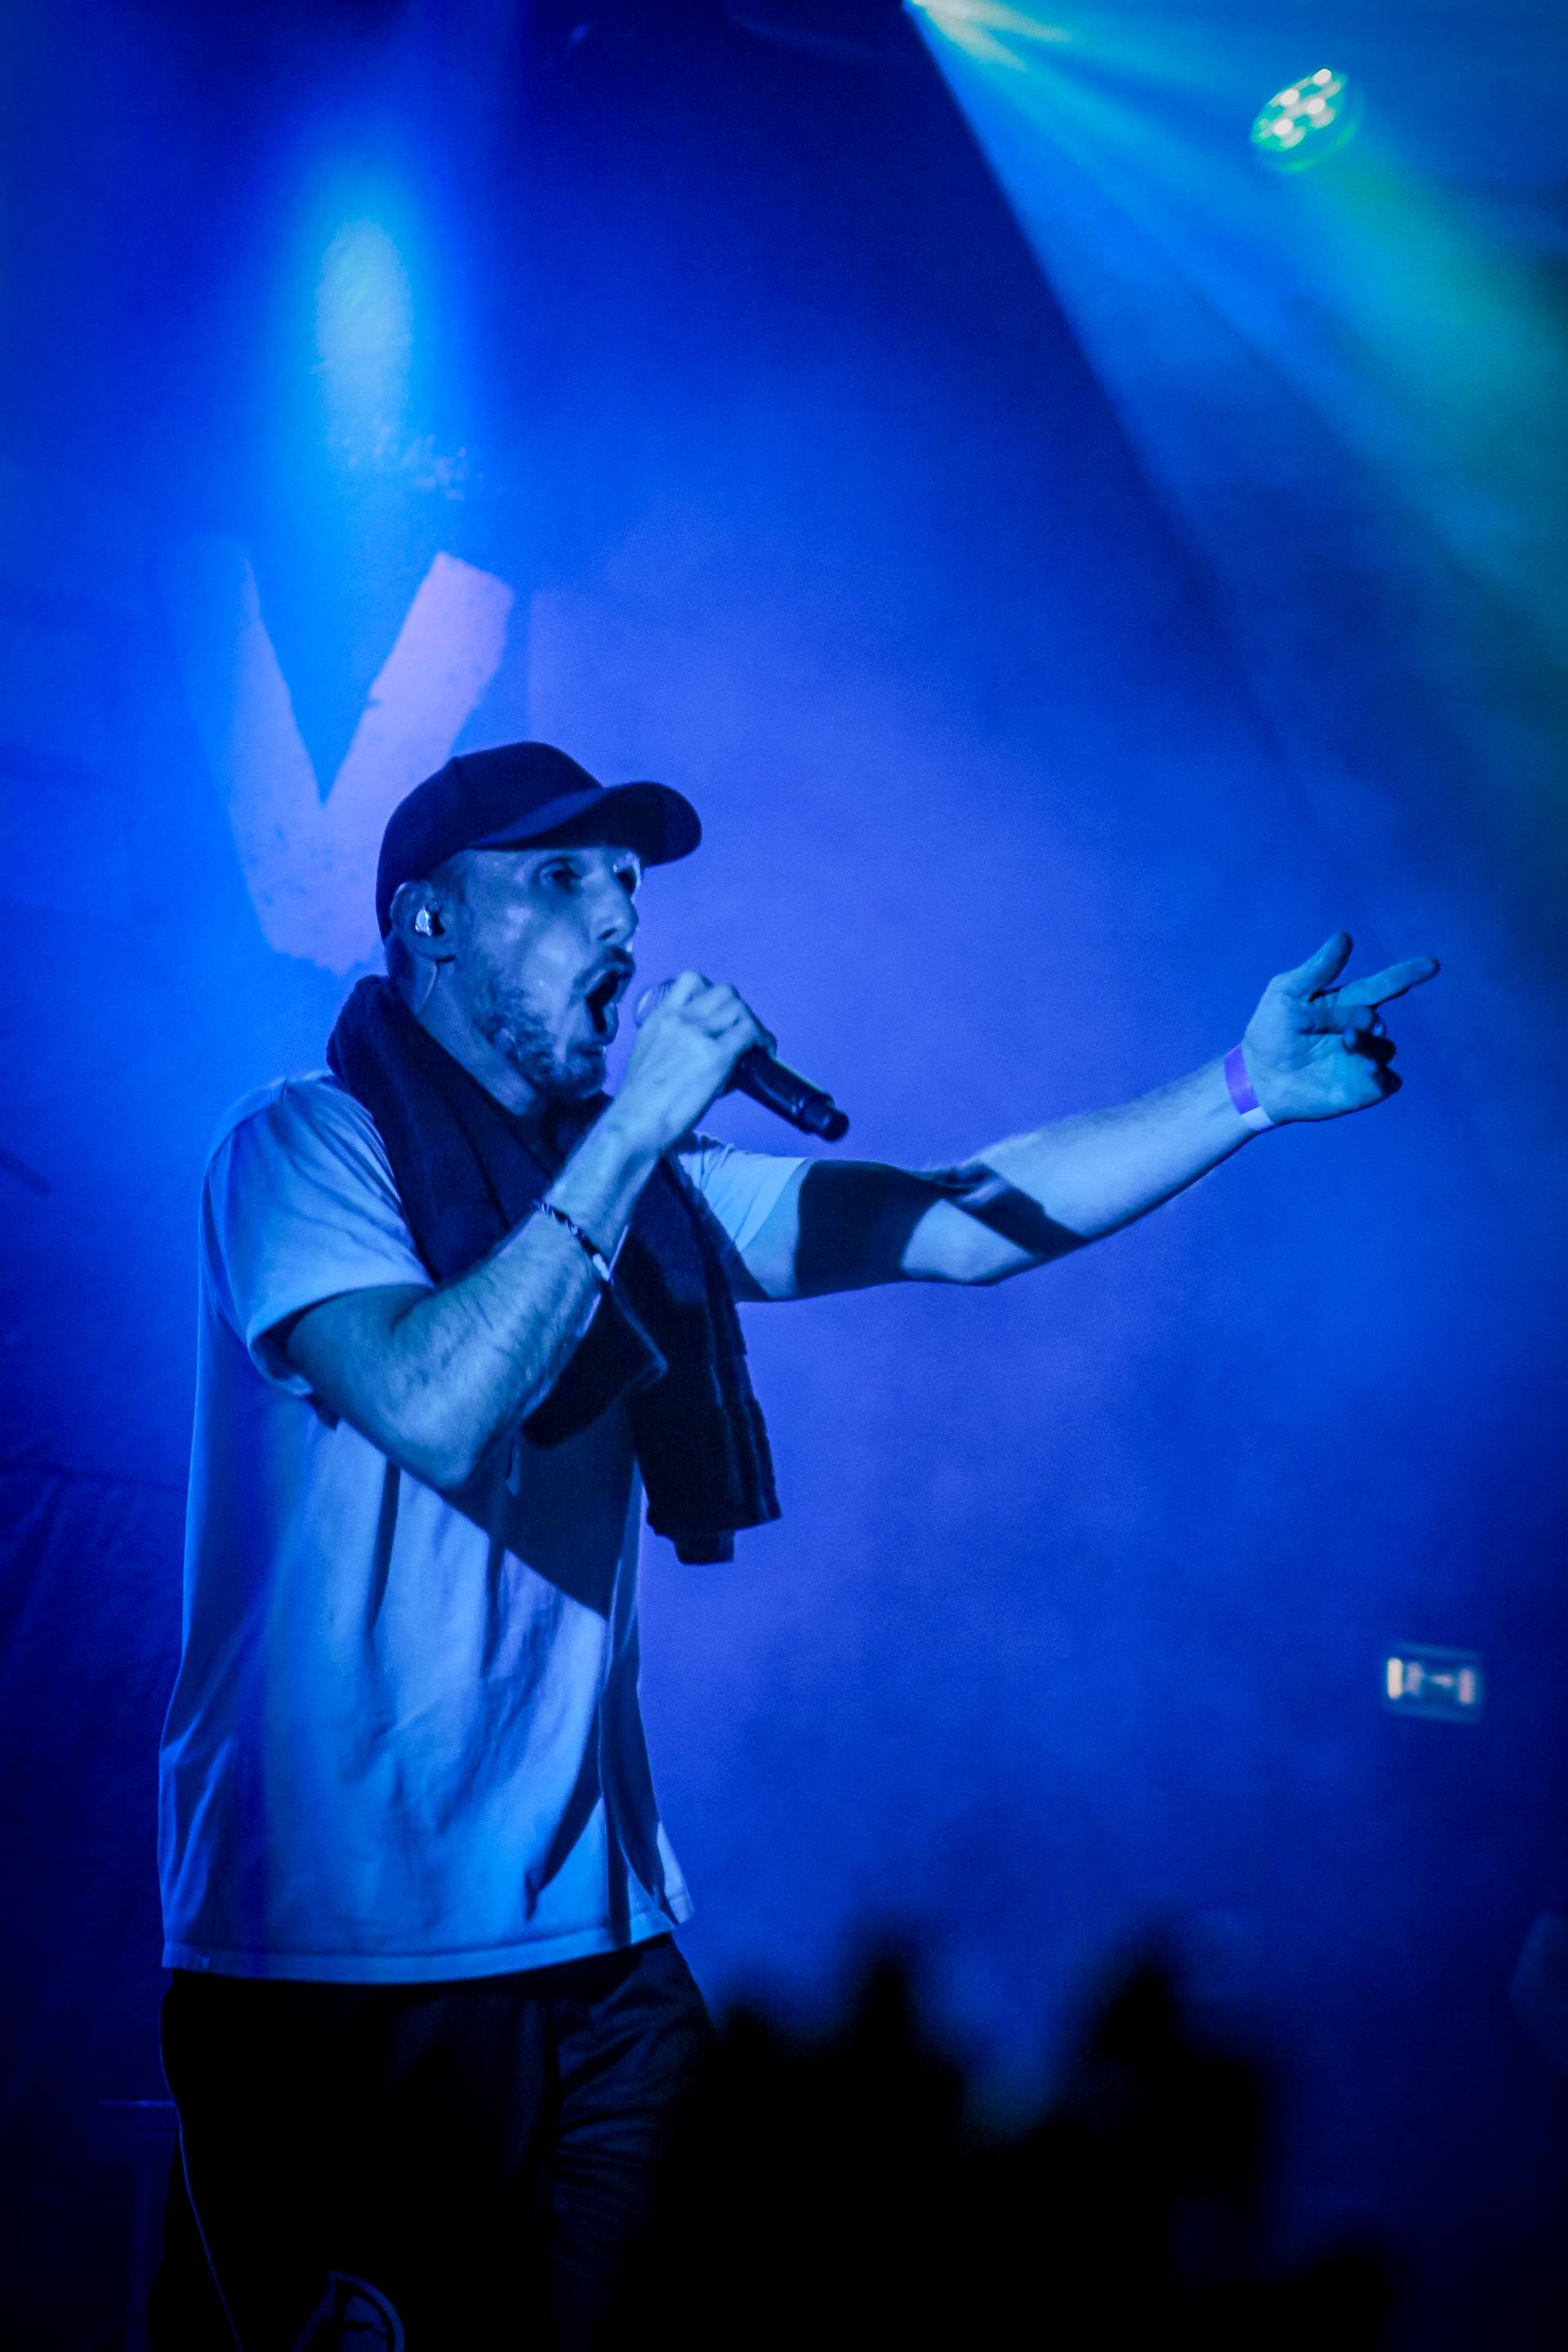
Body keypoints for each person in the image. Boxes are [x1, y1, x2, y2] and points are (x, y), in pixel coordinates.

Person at [154, 741, 1438, 2349]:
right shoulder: (302, 1147)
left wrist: (1238, 1090)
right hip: (340, 1961)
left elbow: (955, 1220)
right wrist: (636, 1133)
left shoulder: (636, 1193)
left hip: (602, 1952)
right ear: (430, 923)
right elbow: (434, 1401)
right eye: (561, 877)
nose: (619, 915)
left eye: (628, 881)